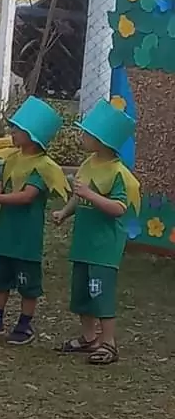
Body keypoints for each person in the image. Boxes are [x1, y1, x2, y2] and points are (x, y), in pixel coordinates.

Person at [0, 97, 69, 344]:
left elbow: (27, 196)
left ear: (33, 135)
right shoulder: (13, 159)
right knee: (0, 275)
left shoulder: (44, 167)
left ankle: (25, 323)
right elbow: (5, 184)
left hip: (26, 236)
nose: (12, 132)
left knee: (27, 281)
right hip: (6, 232)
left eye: (17, 128)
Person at [54, 99, 140, 365]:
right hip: (84, 243)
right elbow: (79, 196)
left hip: (104, 247)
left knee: (100, 294)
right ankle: (89, 337)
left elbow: (118, 208)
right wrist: (64, 212)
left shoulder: (118, 173)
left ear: (102, 141)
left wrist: (89, 194)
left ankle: (108, 343)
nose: (82, 137)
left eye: (87, 134)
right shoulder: (88, 163)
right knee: (82, 293)